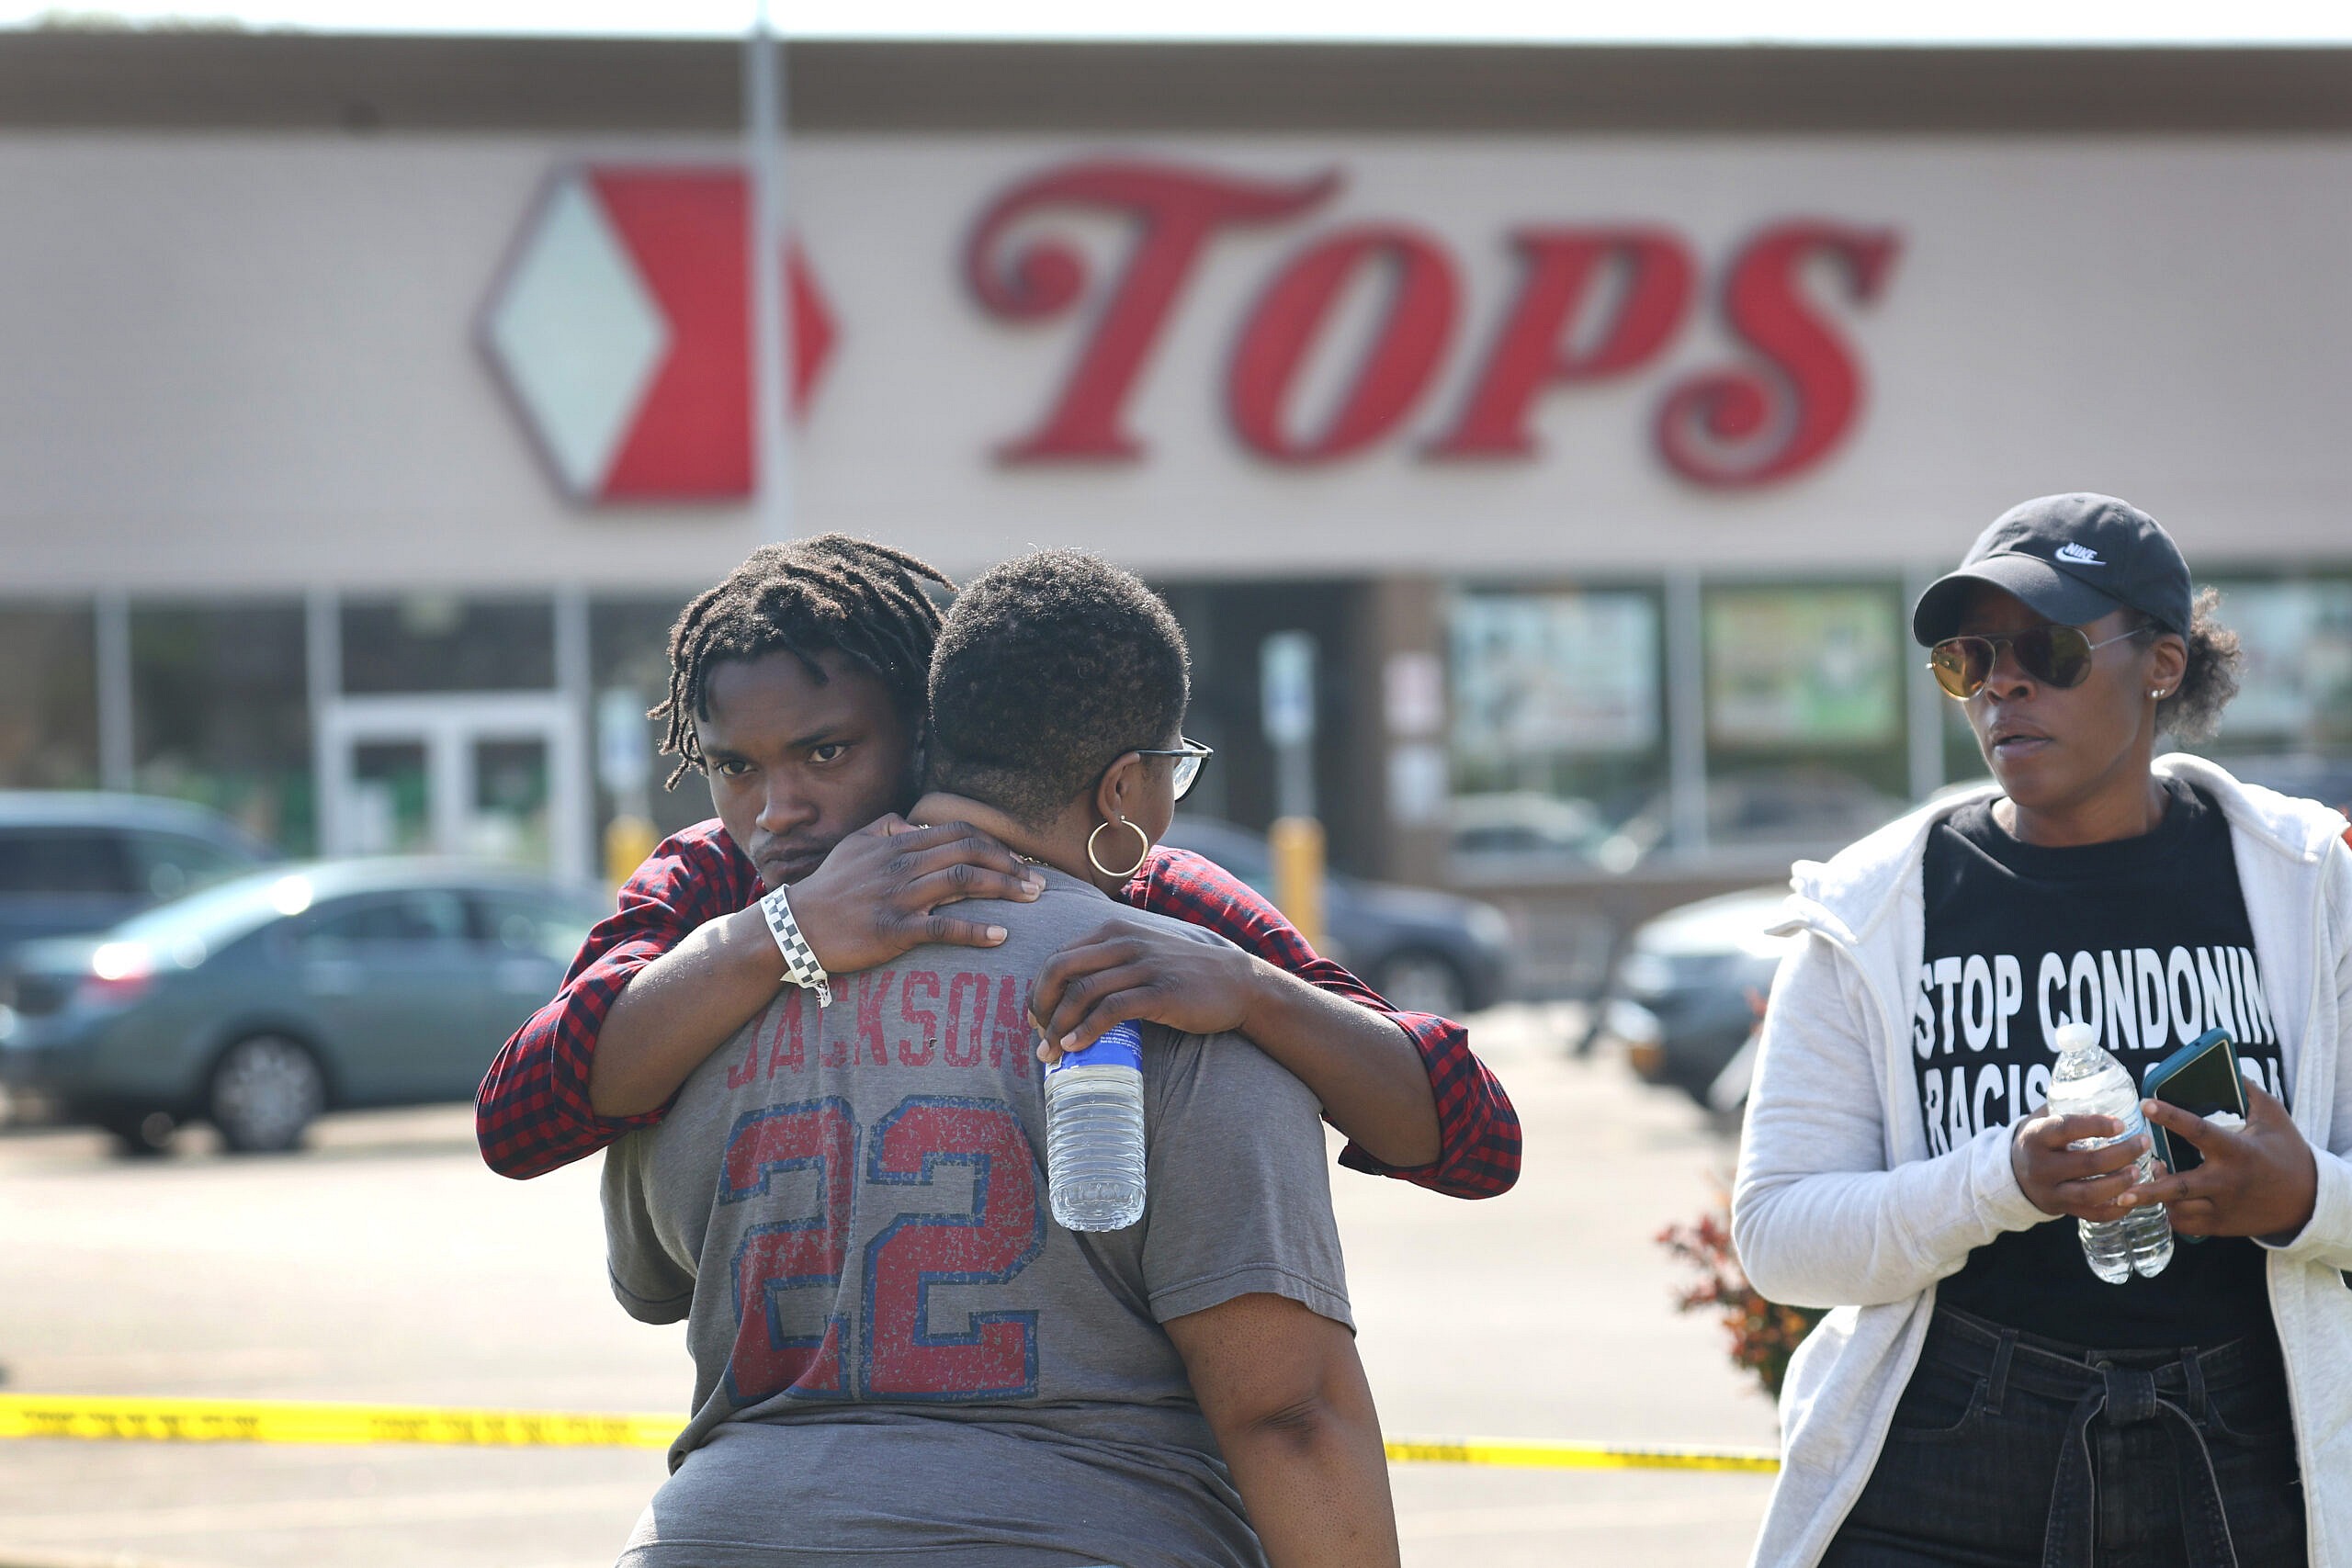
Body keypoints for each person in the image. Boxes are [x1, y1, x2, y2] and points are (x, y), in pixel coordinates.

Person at [603, 550, 1399, 1568]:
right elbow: (1289, 1412)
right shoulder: (1175, 996)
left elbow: (650, 1279)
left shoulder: (695, 997)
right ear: (1128, 783)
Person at [476, 535, 1518, 1203]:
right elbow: (518, 1120)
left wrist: (1254, 995)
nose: (776, 807)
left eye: (826, 752)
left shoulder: (1128, 886)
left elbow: (1472, 1139)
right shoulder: (712, 882)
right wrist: (775, 937)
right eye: (735, 768)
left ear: (927, 734)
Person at [1733, 494, 2352, 1567]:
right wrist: (2001, 1180)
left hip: (2254, 1442)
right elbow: (1779, 1236)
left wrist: (2306, 1200)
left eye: (2047, 650)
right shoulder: (1874, 910)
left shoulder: (2310, 886)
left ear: (2161, 663)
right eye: (1969, 660)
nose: (2001, 685)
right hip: (1944, 1451)